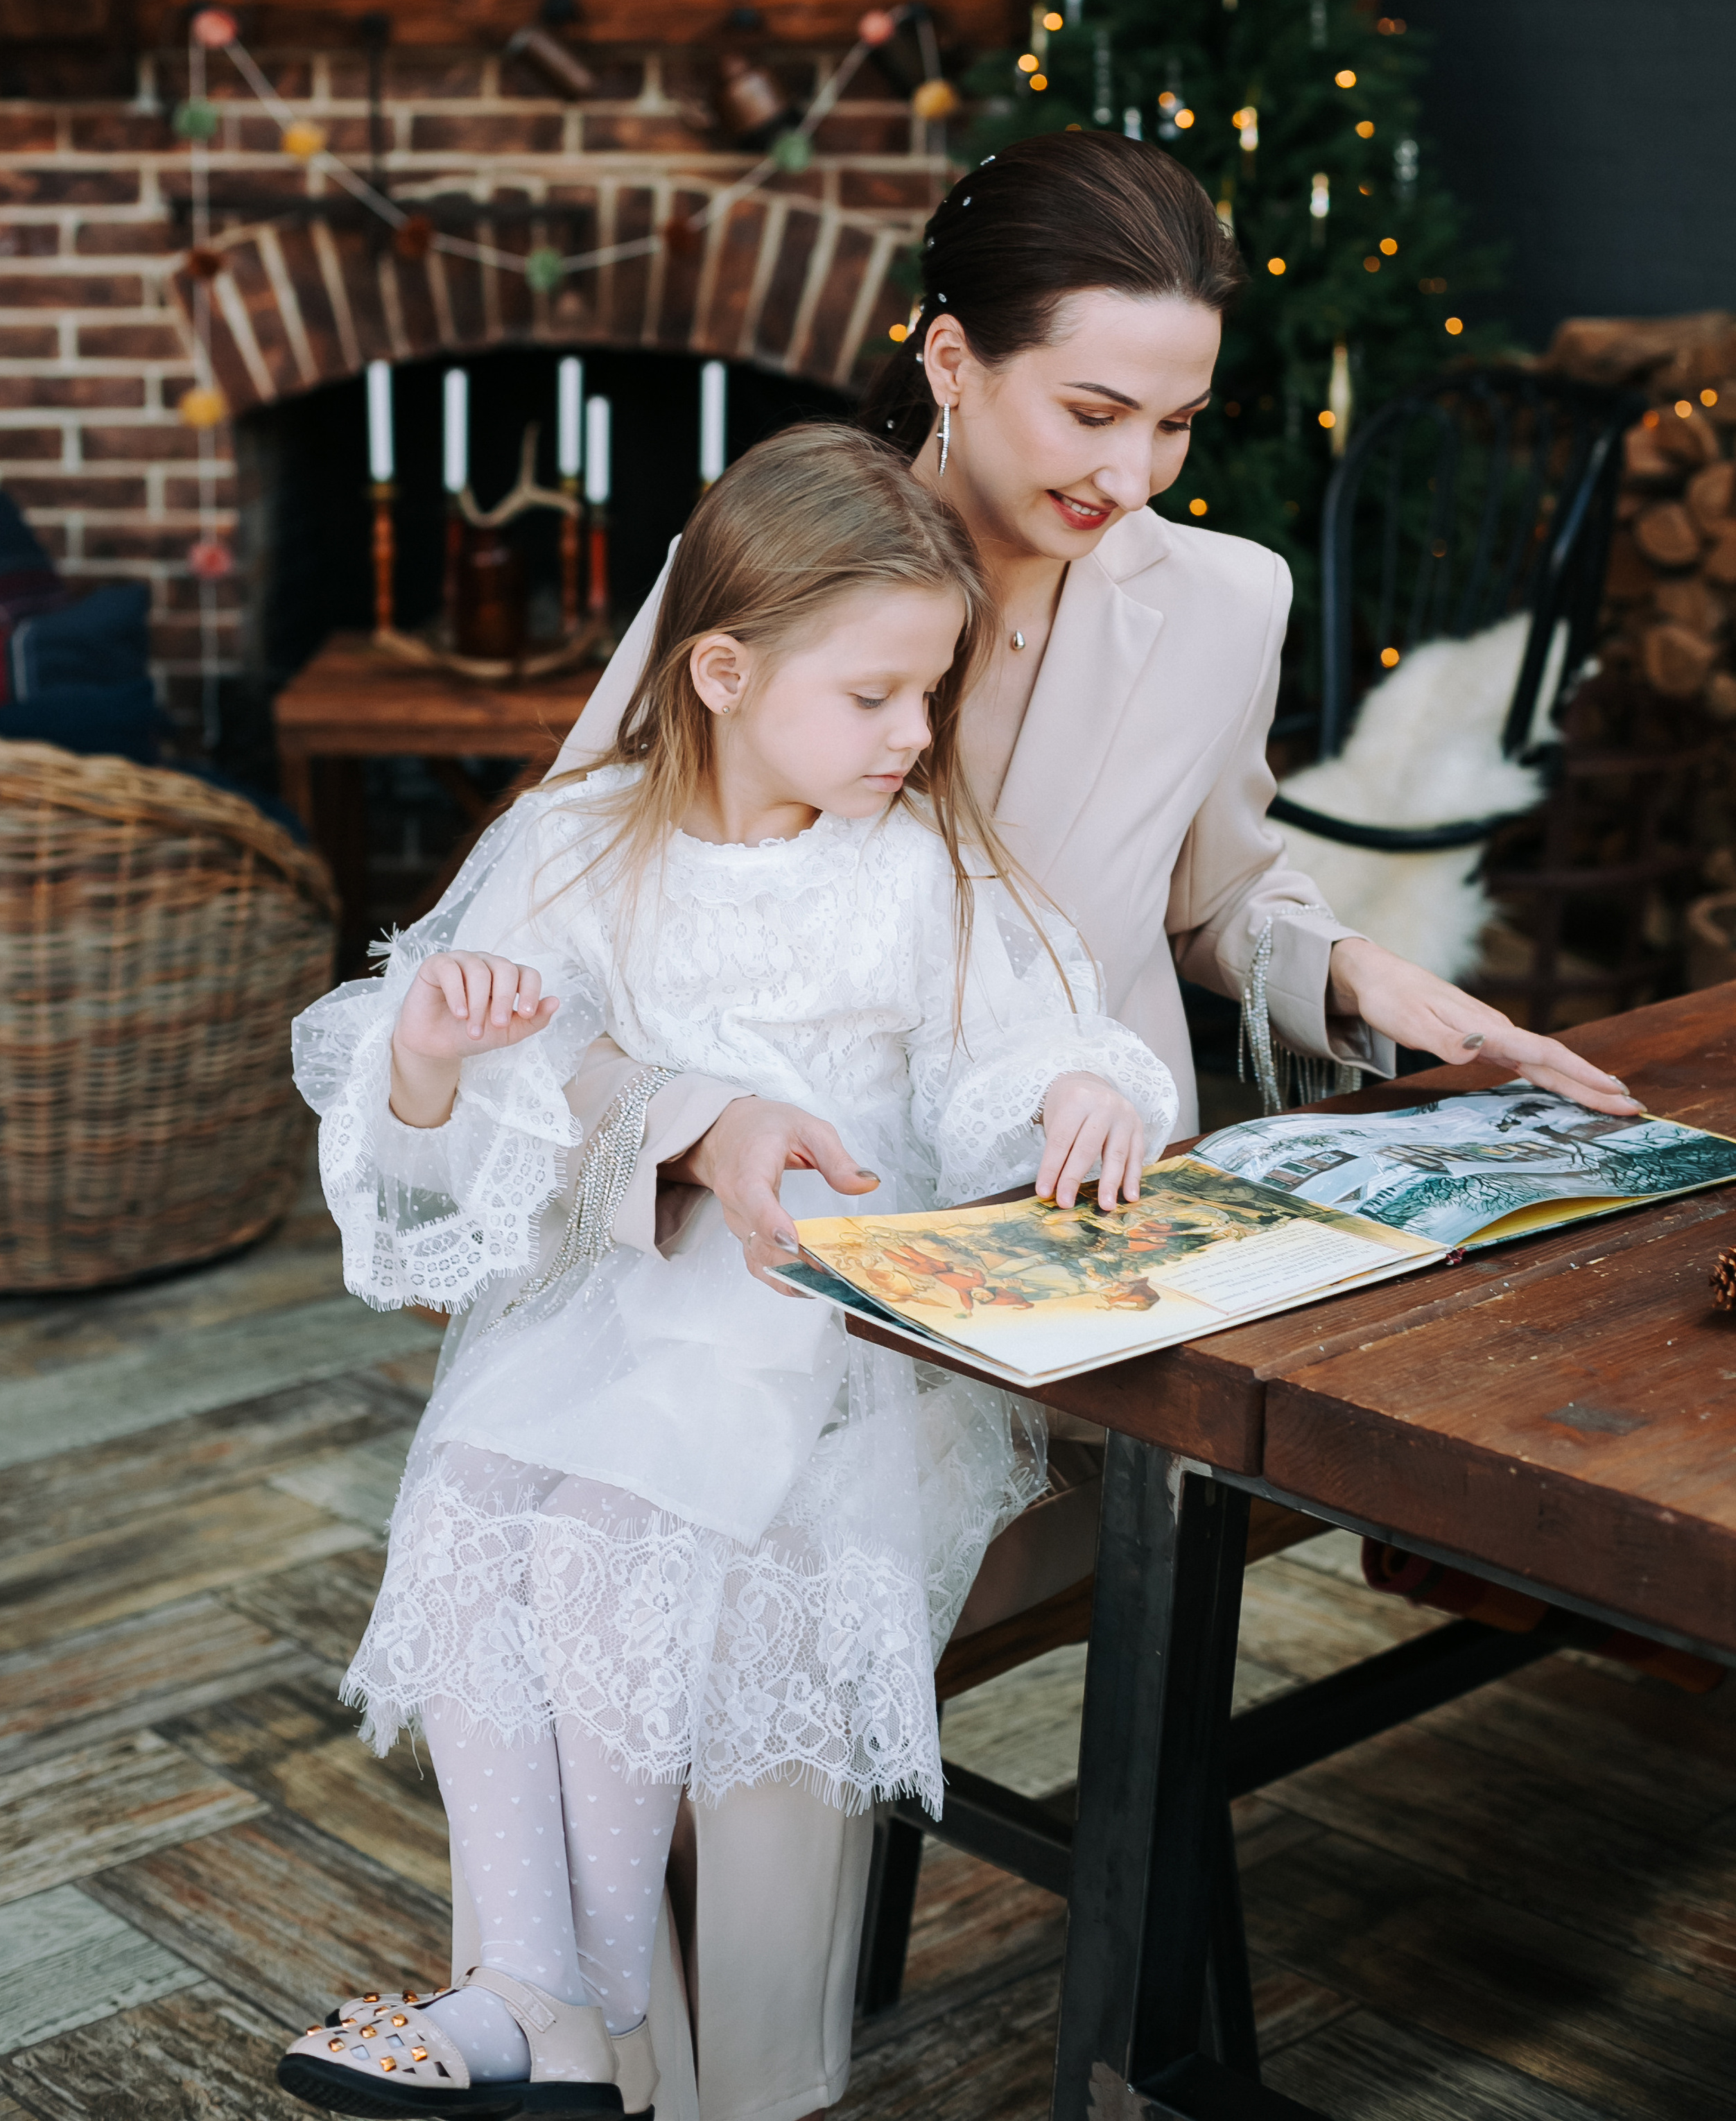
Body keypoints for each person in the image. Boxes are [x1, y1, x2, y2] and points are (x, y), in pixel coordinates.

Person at [546, 129, 1640, 2121]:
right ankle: (630, 2075)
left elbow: (1221, 894)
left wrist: (1376, 982)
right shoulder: (774, 564)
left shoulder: (1219, 599)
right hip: (759, 1258)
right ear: (949, 356)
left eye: (1178, 421)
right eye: (1091, 410)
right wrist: (697, 1130)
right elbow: (562, 925)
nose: (1133, 475)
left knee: (750, 1596)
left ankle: (702, 2085)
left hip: (1056, 1286)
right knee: (668, 1571)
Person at [276, 424, 1176, 2120]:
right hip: (612, 1304)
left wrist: (1076, 1086)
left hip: (815, 1314)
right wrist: (434, 1056)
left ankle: (567, 2002)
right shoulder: (577, 841)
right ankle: (537, 1993)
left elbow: (1010, 1046)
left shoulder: (908, 869)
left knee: (607, 1528)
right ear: (720, 671)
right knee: (469, 1495)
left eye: (931, 693)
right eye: (874, 695)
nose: (914, 734)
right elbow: (461, 1117)